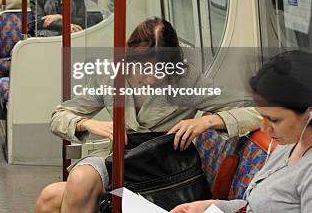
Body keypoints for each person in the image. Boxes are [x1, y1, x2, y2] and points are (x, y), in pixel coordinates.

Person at [35, 17, 261, 213]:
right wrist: (90, 124)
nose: (153, 77)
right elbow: (60, 116)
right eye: (145, 68)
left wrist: (209, 120)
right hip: (122, 160)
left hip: (163, 169)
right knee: (55, 193)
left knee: (54, 196)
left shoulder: (186, 80)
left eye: (162, 69)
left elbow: (257, 111)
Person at [170, 50, 312, 213]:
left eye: (274, 120)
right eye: (262, 117)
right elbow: (255, 206)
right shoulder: (290, 142)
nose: (264, 128)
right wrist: (208, 207)